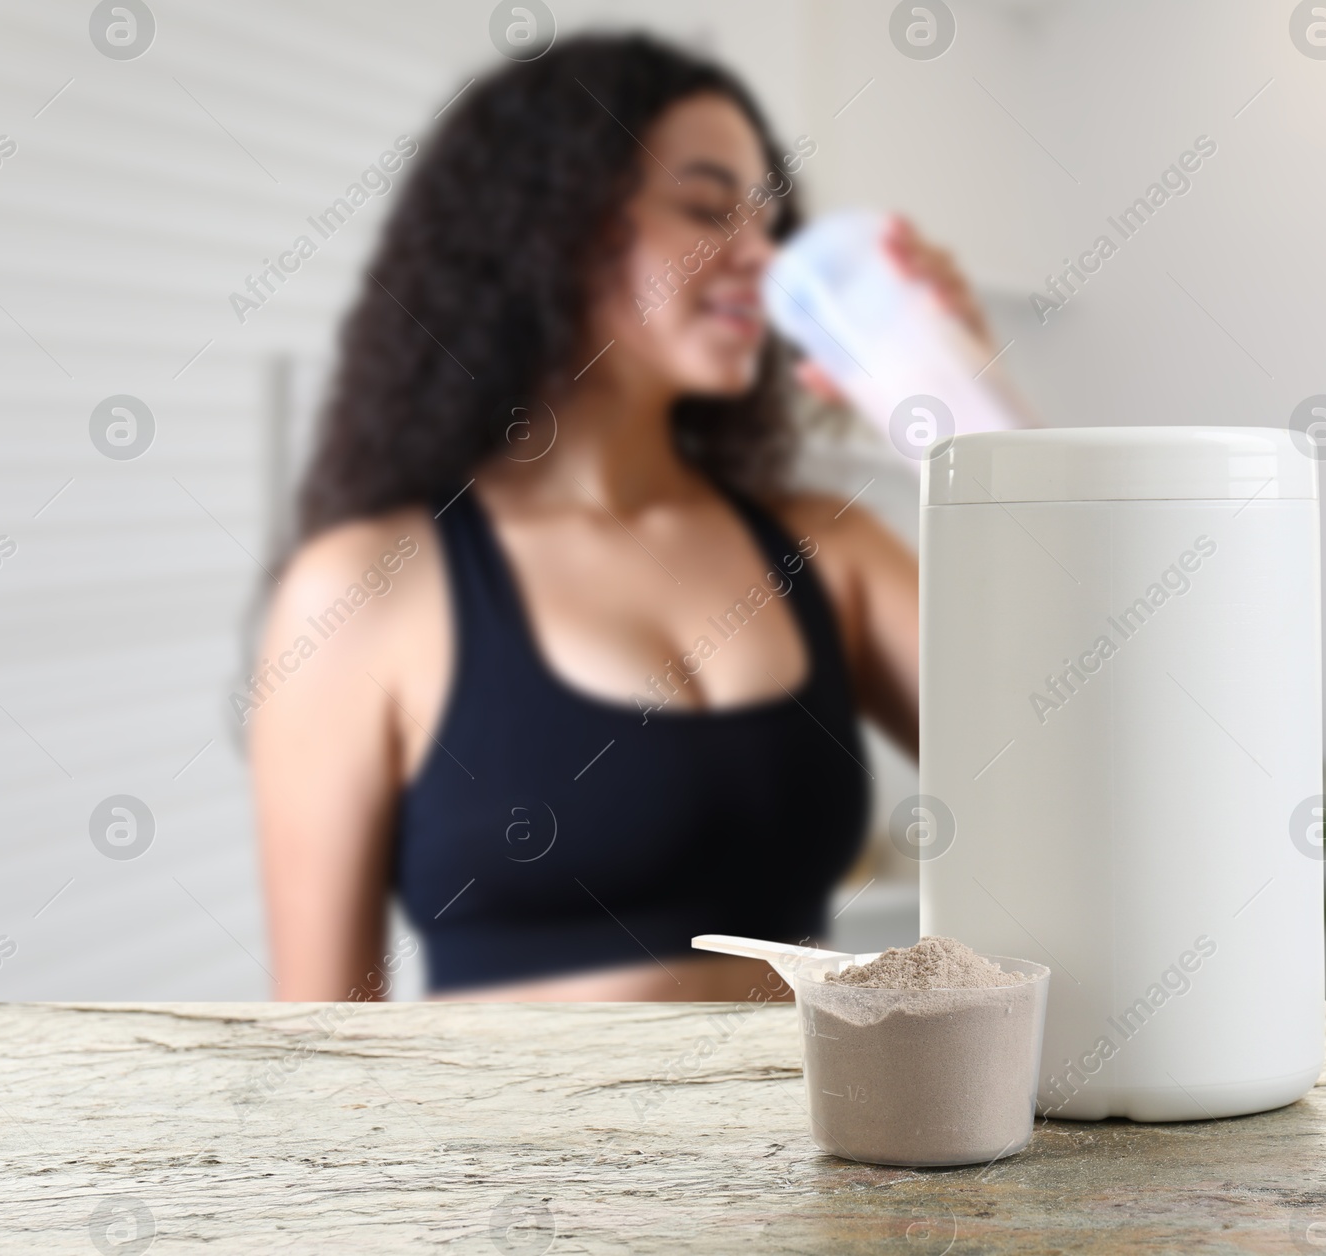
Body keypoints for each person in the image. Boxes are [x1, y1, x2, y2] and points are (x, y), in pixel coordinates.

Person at [251, 32, 1007, 1001]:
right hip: (505, 1153)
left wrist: (966, 407)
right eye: (705, 208)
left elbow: (1089, 746)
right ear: (549, 225)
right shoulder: (364, 588)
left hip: (816, 1148)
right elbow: (319, 1042)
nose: (764, 263)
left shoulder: (831, 550)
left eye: (769, 224)